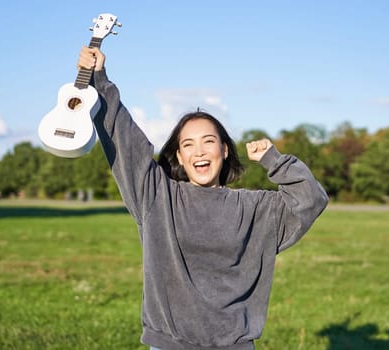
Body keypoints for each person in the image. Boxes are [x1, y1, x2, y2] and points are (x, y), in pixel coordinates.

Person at [80, 46, 329, 349]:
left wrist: (275, 162)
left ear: (224, 151)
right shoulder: (157, 198)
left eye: (208, 141)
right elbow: (123, 136)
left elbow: (311, 199)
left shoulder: (255, 208)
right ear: (179, 157)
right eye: (188, 145)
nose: (199, 151)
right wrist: (100, 80)